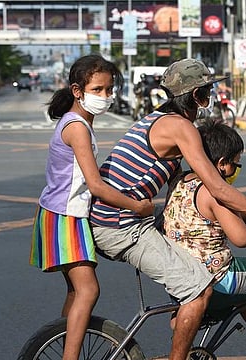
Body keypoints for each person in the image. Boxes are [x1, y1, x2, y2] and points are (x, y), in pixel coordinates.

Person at [89, 58, 246, 360]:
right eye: (207, 91)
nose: (210, 97)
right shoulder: (181, 128)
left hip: (117, 219)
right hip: (120, 225)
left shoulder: (157, 121)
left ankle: (196, 323)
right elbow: (219, 188)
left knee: (199, 284)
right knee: (198, 291)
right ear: (195, 96)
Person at [29, 54, 154, 360]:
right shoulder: (77, 127)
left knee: (76, 292)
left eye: (109, 90)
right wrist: (136, 206)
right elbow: (96, 185)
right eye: (98, 90)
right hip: (64, 217)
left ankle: (63, 344)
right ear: (77, 90)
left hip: (60, 214)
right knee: (88, 290)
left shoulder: (79, 122)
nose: (106, 97)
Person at [162, 120, 246, 360]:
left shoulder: (180, 181)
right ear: (221, 164)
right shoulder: (214, 191)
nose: (236, 169)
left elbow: (209, 217)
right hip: (215, 277)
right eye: (235, 163)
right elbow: (241, 237)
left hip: (181, 273)